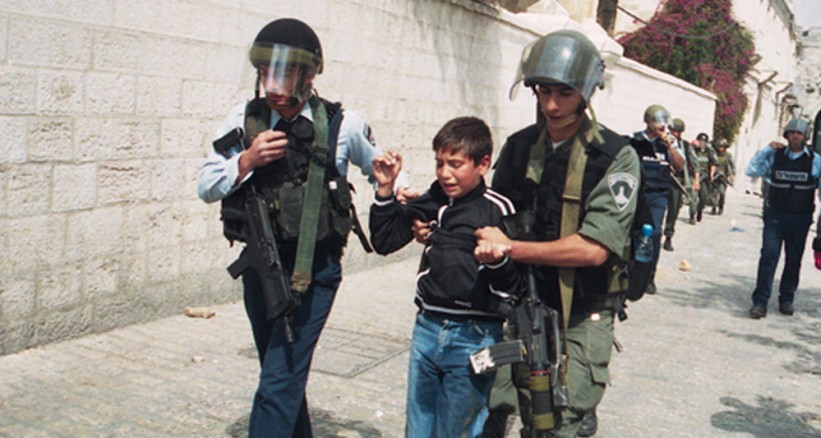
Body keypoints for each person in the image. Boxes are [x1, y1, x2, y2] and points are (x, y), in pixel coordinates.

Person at [196, 18, 409, 437]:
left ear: (309, 76)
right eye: (265, 72)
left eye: (284, 72)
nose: (272, 83)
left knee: (279, 378)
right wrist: (246, 160)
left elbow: (380, 167)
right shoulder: (245, 119)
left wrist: (398, 186)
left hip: (315, 272)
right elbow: (205, 185)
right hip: (262, 266)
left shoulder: (342, 124)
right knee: (279, 373)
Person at [476, 29, 641, 438]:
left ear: (586, 92)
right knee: (500, 404)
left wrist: (513, 248)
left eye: (564, 93)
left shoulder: (614, 157)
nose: (551, 104)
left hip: (581, 312)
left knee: (560, 422)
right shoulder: (519, 147)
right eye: (543, 91)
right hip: (522, 306)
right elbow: (490, 214)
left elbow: (593, 249)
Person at [369, 116, 518, 437]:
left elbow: (513, 287)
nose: (445, 173)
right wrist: (385, 189)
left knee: (457, 430)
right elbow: (384, 241)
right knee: (418, 428)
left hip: (475, 337)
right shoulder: (433, 200)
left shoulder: (499, 210)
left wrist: (495, 261)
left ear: (483, 164)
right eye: (439, 163)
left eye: (455, 164)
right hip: (427, 329)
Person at [745, 118, 821, 319]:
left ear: (805, 136)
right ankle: (760, 301)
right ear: (786, 135)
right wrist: (766, 150)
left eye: (799, 133)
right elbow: (751, 171)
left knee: (793, 259)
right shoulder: (775, 156)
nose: (795, 136)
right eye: (791, 132)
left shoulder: (815, 160)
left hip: (800, 217)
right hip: (775, 215)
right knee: (769, 255)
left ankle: (787, 299)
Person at [630, 105, 684, 294]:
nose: (662, 126)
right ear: (648, 121)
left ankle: (648, 277)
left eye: (664, 122)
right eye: (657, 122)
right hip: (637, 193)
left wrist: (670, 146)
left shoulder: (670, 142)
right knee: (632, 232)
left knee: (654, 233)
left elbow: (679, 166)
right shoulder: (635, 140)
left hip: (658, 195)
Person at [662, 118, 698, 251]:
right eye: (672, 130)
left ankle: (668, 236)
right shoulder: (662, 141)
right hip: (662, 178)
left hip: (677, 181)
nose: (674, 133)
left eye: (676, 131)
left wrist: (696, 181)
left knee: (673, 210)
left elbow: (694, 163)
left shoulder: (686, 146)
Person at [691, 132, 717, 223]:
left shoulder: (710, 151)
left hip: (705, 177)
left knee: (703, 196)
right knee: (693, 196)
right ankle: (692, 214)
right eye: (700, 141)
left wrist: (711, 174)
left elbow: (714, 163)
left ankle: (699, 210)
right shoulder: (693, 150)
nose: (702, 143)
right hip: (694, 176)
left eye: (704, 141)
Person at [710, 138, 735, 215]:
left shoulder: (728, 155)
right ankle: (713, 207)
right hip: (714, 176)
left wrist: (732, 174)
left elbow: (732, 165)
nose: (720, 148)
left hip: (723, 177)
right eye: (719, 147)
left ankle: (721, 206)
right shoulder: (714, 154)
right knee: (714, 192)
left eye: (722, 147)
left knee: (721, 192)